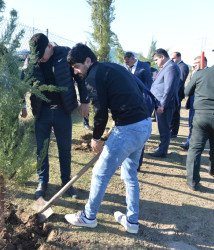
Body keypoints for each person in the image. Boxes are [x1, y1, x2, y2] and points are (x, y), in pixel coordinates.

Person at [64, 43, 151, 234]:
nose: (77, 72)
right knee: (130, 175)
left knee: (100, 174)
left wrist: (97, 138)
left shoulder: (94, 76)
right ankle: (132, 221)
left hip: (128, 129)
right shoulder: (112, 67)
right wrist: (120, 110)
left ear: (88, 60)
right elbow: (135, 89)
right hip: (144, 124)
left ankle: (88, 217)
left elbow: (100, 111)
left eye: (77, 67)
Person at [21, 33, 89, 199]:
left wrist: (85, 101)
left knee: (64, 149)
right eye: (35, 56)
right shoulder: (32, 61)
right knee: (41, 149)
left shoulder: (65, 55)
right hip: (42, 111)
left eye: (41, 55)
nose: (39, 59)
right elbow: (22, 83)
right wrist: (22, 105)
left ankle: (66, 182)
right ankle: (42, 181)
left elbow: (80, 78)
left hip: (62, 111)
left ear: (50, 47)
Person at [184, 64, 214, 191]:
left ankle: (192, 181)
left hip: (202, 115)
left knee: (195, 149)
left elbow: (187, 92)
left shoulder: (201, 74)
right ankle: (213, 170)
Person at [123, 52, 153, 171]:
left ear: (133, 59)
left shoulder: (144, 67)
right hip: (126, 103)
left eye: (128, 61)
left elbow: (148, 84)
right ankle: (125, 160)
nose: (127, 64)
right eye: (125, 62)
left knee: (139, 133)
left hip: (141, 103)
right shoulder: (124, 67)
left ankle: (137, 163)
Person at [148, 48, 180, 158]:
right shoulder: (166, 67)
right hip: (160, 101)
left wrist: (163, 105)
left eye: (156, 60)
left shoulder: (171, 68)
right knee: (162, 127)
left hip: (164, 103)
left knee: (164, 128)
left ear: (162, 57)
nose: (155, 63)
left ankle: (162, 151)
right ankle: (161, 148)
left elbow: (169, 88)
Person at [180, 56, 208, 150]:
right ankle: (189, 143)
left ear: (203, 62)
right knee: (191, 123)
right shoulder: (194, 73)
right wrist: (188, 102)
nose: (194, 65)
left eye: (197, 63)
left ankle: (196, 144)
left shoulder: (209, 73)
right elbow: (190, 90)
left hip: (203, 106)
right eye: (194, 62)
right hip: (193, 103)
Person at [169, 52, 189, 138]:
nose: (172, 60)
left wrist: (173, 92)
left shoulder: (183, 66)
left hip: (177, 93)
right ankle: (170, 129)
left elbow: (180, 81)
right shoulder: (176, 65)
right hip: (174, 93)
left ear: (179, 57)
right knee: (172, 112)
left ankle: (174, 132)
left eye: (174, 58)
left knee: (175, 112)